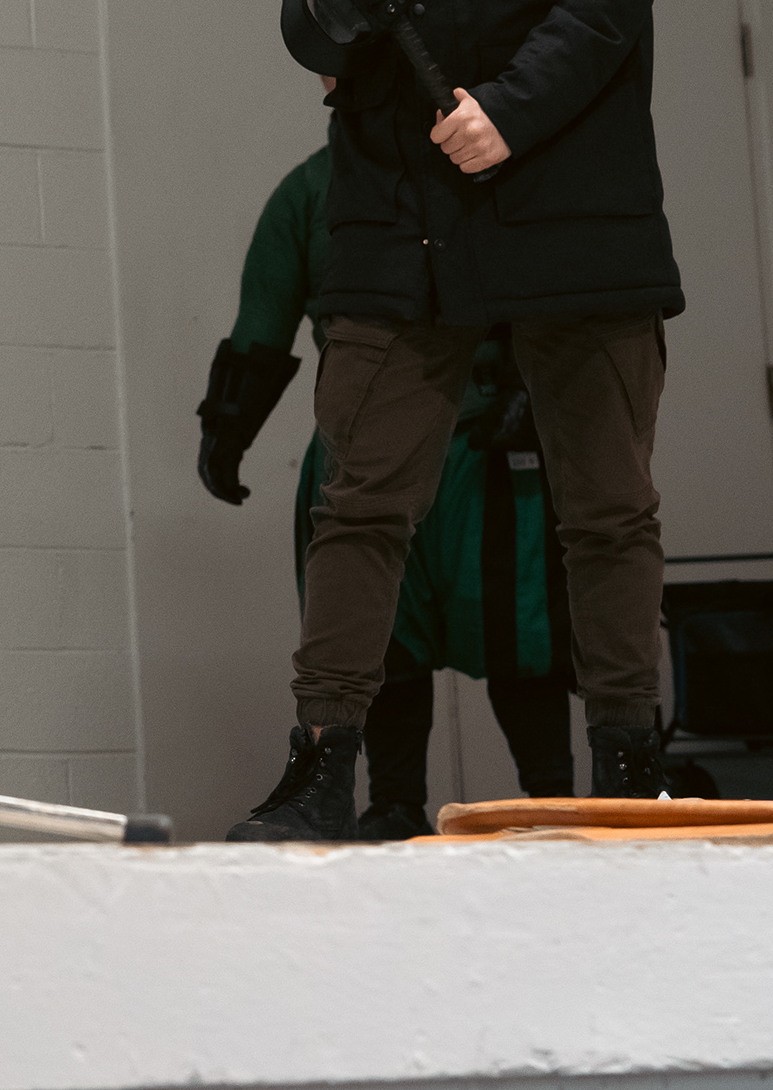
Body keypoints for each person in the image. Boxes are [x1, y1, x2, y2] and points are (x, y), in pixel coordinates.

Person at [224, 0, 675, 841]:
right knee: (358, 502)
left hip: (567, 195)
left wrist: (512, 115)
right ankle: (323, 765)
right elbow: (306, 37)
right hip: (393, 205)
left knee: (605, 506)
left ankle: (631, 763)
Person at [196, 143, 573, 837]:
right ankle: (399, 801)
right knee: (383, 631)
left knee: (515, 629)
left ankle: (552, 796)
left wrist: (532, 384)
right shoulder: (312, 188)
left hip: (485, 440)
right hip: (372, 443)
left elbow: (548, 281)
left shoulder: (476, 161)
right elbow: (264, 315)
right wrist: (228, 429)